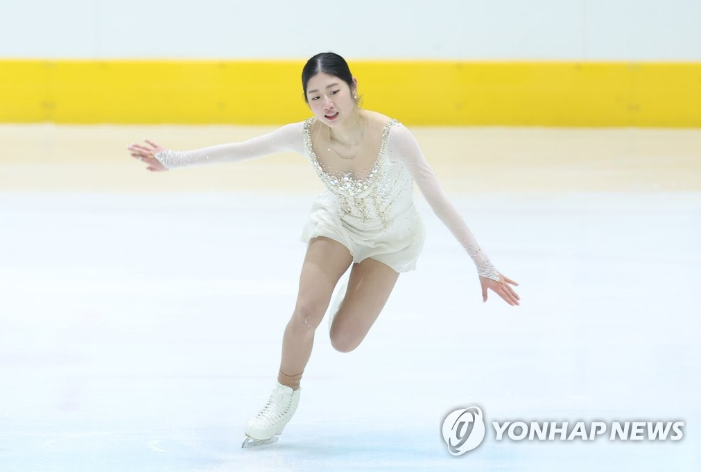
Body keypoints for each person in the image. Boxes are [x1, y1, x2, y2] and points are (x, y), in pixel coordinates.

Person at [127, 52, 520, 448]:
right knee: (305, 312)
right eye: (315, 97)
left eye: (333, 91)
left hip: (391, 241)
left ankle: (349, 293)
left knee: (343, 339)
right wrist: (172, 160)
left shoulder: (393, 137)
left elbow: (437, 199)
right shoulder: (304, 135)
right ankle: (283, 396)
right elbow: (242, 149)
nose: (326, 104)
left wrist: (482, 264)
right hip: (339, 225)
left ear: (352, 88)